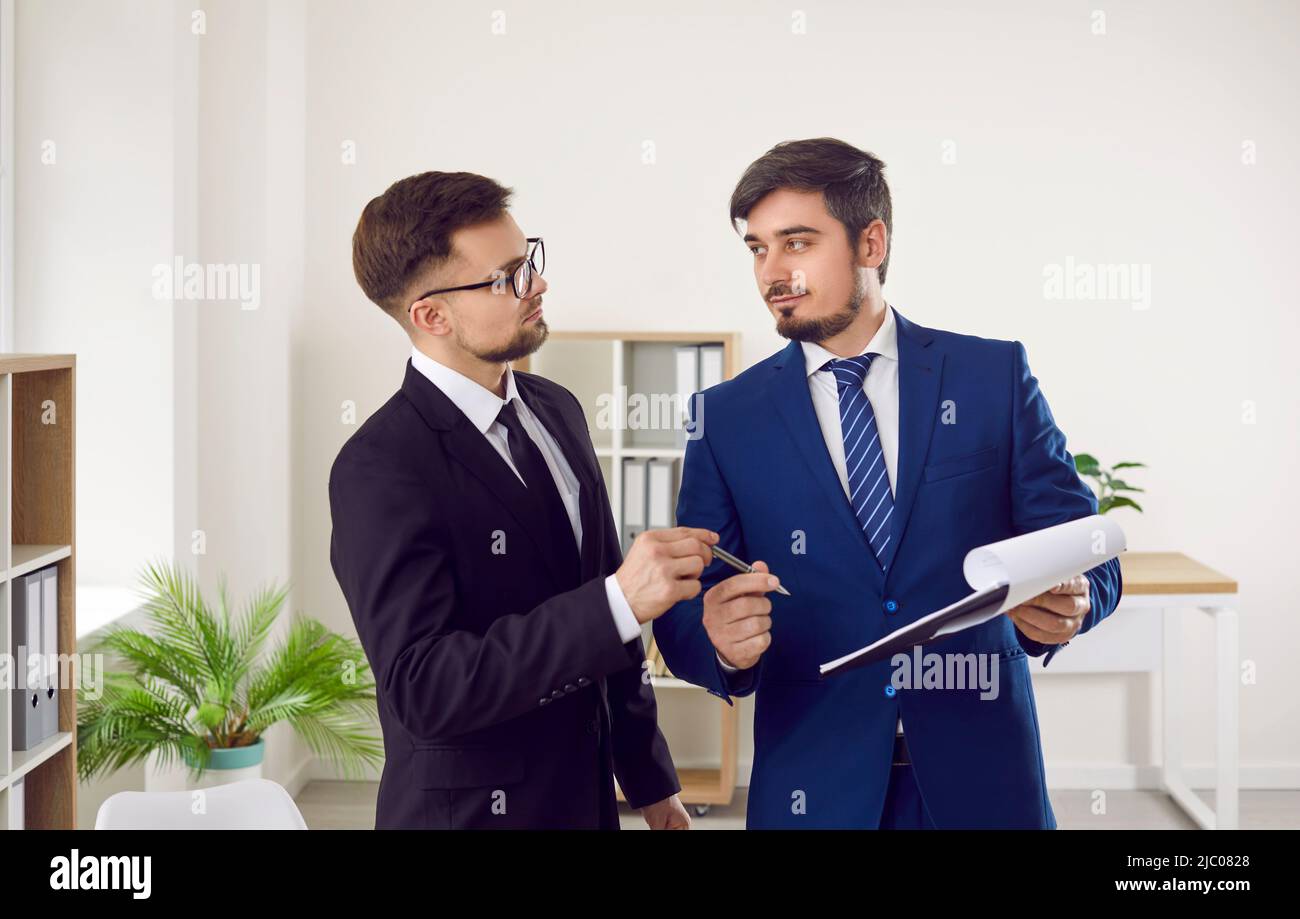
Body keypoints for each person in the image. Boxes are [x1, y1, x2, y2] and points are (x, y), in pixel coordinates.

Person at [653, 138, 1123, 829]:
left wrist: (1077, 601)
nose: (772, 272)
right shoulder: (724, 418)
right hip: (814, 789)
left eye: (797, 243)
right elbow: (684, 609)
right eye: (757, 249)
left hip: (986, 783)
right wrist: (717, 639)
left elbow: (1088, 547)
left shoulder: (991, 376)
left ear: (870, 242)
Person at [331, 170, 712, 829]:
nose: (537, 284)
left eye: (528, 260)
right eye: (506, 277)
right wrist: (620, 600)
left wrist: (650, 780)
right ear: (431, 315)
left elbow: (606, 617)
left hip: (587, 804)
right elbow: (426, 686)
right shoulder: (378, 466)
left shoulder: (556, 410)